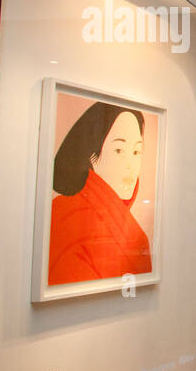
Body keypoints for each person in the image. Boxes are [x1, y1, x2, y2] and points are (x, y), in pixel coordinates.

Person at [48, 102, 152, 285]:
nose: (130, 164)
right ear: (92, 156)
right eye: (119, 150)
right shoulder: (66, 217)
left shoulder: (129, 229)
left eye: (136, 151)